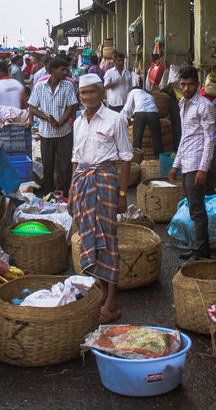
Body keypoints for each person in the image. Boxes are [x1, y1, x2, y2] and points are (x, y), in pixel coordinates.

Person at [70, 73, 133, 322]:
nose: (87, 97)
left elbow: (126, 159)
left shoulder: (115, 119)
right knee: (89, 237)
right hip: (83, 181)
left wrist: (122, 193)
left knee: (108, 238)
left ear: (101, 93)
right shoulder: (77, 122)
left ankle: (111, 302)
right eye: (83, 93)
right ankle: (103, 292)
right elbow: (76, 159)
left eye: (92, 92)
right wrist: (71, 194)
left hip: (106, 181)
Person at [168, 67, 216, 260]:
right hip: (187, 162)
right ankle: (198, 247)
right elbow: (185, 137)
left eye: (190, 84)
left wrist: (203, 168)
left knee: (197, 210)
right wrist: (175, 165)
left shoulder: (204, 106)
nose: (186, 88)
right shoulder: (182, 104)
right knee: (193, 207)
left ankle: (201, 253)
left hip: (197, 163)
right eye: (183, 84)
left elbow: (209, 139)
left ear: (197, 84)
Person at [28, 57, 78, 195]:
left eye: (66, 69)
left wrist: (61, 122)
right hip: (46, 133)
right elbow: (32, 106)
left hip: (64, 132)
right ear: (53, 70)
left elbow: (71, 106)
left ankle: (66, 192)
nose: (65, 72)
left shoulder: (68, 85)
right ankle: (49, 192)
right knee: (48, 166)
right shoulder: (40, 86)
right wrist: (46, 118)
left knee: (65, 165)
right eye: (62, 70)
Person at [122, 85, 162, 157]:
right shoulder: (149, 95)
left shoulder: (133, 92)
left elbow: (127, 108)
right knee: (157, 137)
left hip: (140, 114)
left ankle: (136, 158)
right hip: (153, 113)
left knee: (137, 138)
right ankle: (158, 158)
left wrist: (126, 120)